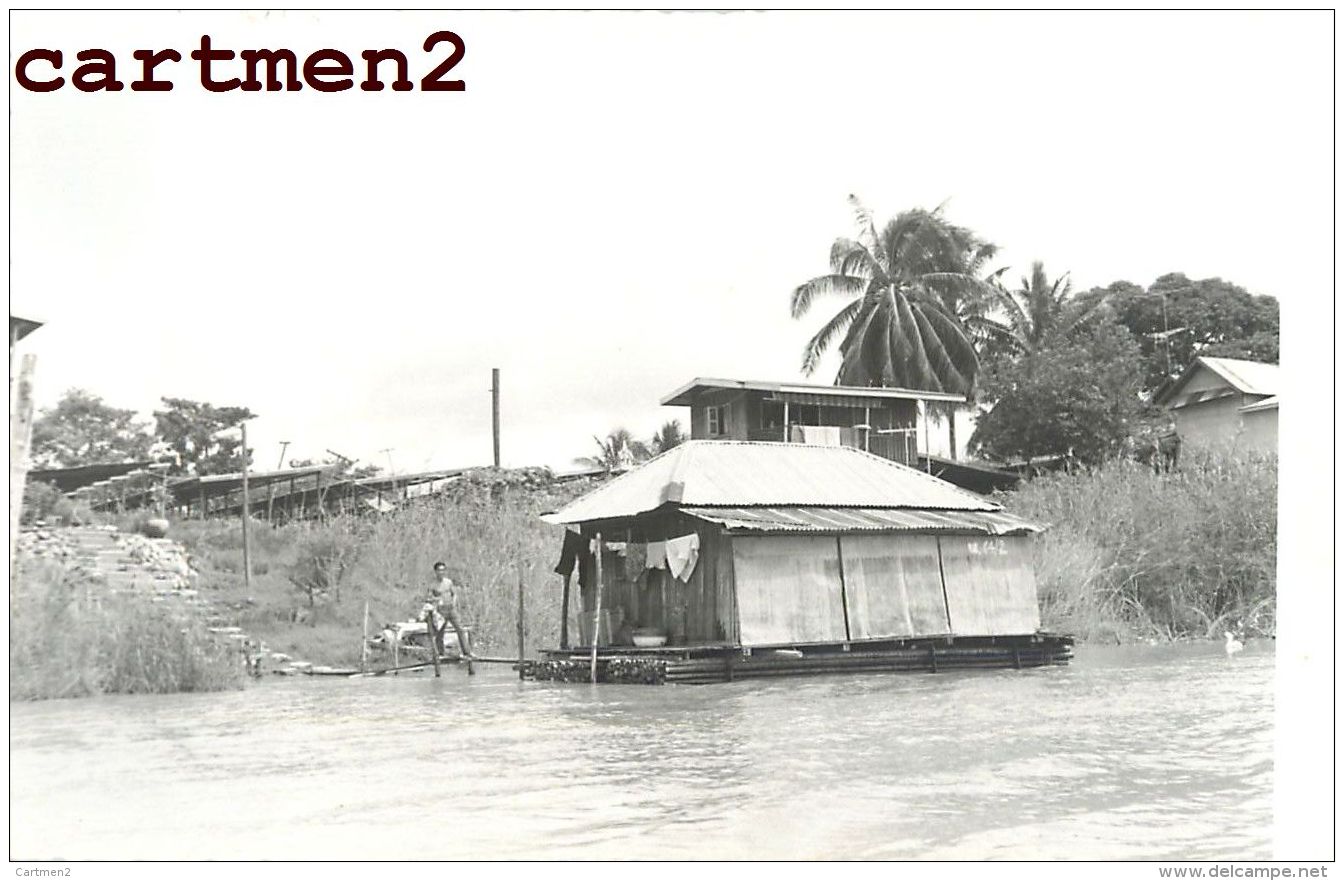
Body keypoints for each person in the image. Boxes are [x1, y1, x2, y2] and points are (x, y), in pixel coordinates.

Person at [424, 561, 474, 660]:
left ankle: (467, 652)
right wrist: (436, 600)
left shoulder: (448, 582)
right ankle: (440, 653)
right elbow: (428, 598)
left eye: (443, 570)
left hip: (451, 609)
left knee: (460, 629)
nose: (441, 572)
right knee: (440, 632)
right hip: (441, 611)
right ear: (435, 571)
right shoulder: (432, 585)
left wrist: (454, 602)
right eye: (439, 570)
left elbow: (454, 594)